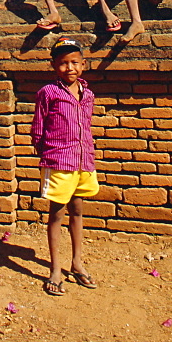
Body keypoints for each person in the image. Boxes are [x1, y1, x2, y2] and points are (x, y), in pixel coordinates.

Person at [32, 36, 99, 296]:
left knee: (78, 210)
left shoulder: (88, 94)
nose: (69, 68)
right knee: (57, 214)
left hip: (84, 162)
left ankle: (77, 263)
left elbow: (87, 126)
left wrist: (88, 153)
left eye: (74, 62)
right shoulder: (48, 93)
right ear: (53, 66)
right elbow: (38, 129)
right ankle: (56, 269)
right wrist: (48, 154)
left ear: (83, 65)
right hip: (59, 161)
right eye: (62, 63)